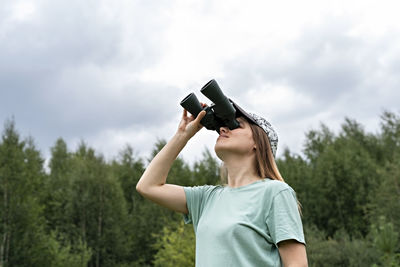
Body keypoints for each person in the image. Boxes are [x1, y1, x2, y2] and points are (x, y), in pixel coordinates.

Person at [136, 101, 308, 267]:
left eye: (236, 125)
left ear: (258, 142)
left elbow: (296, 263)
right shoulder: (205, 199)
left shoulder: (275, 193)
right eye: (222, 126)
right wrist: (183, 135)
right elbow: (148, 186)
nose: (223, 129)